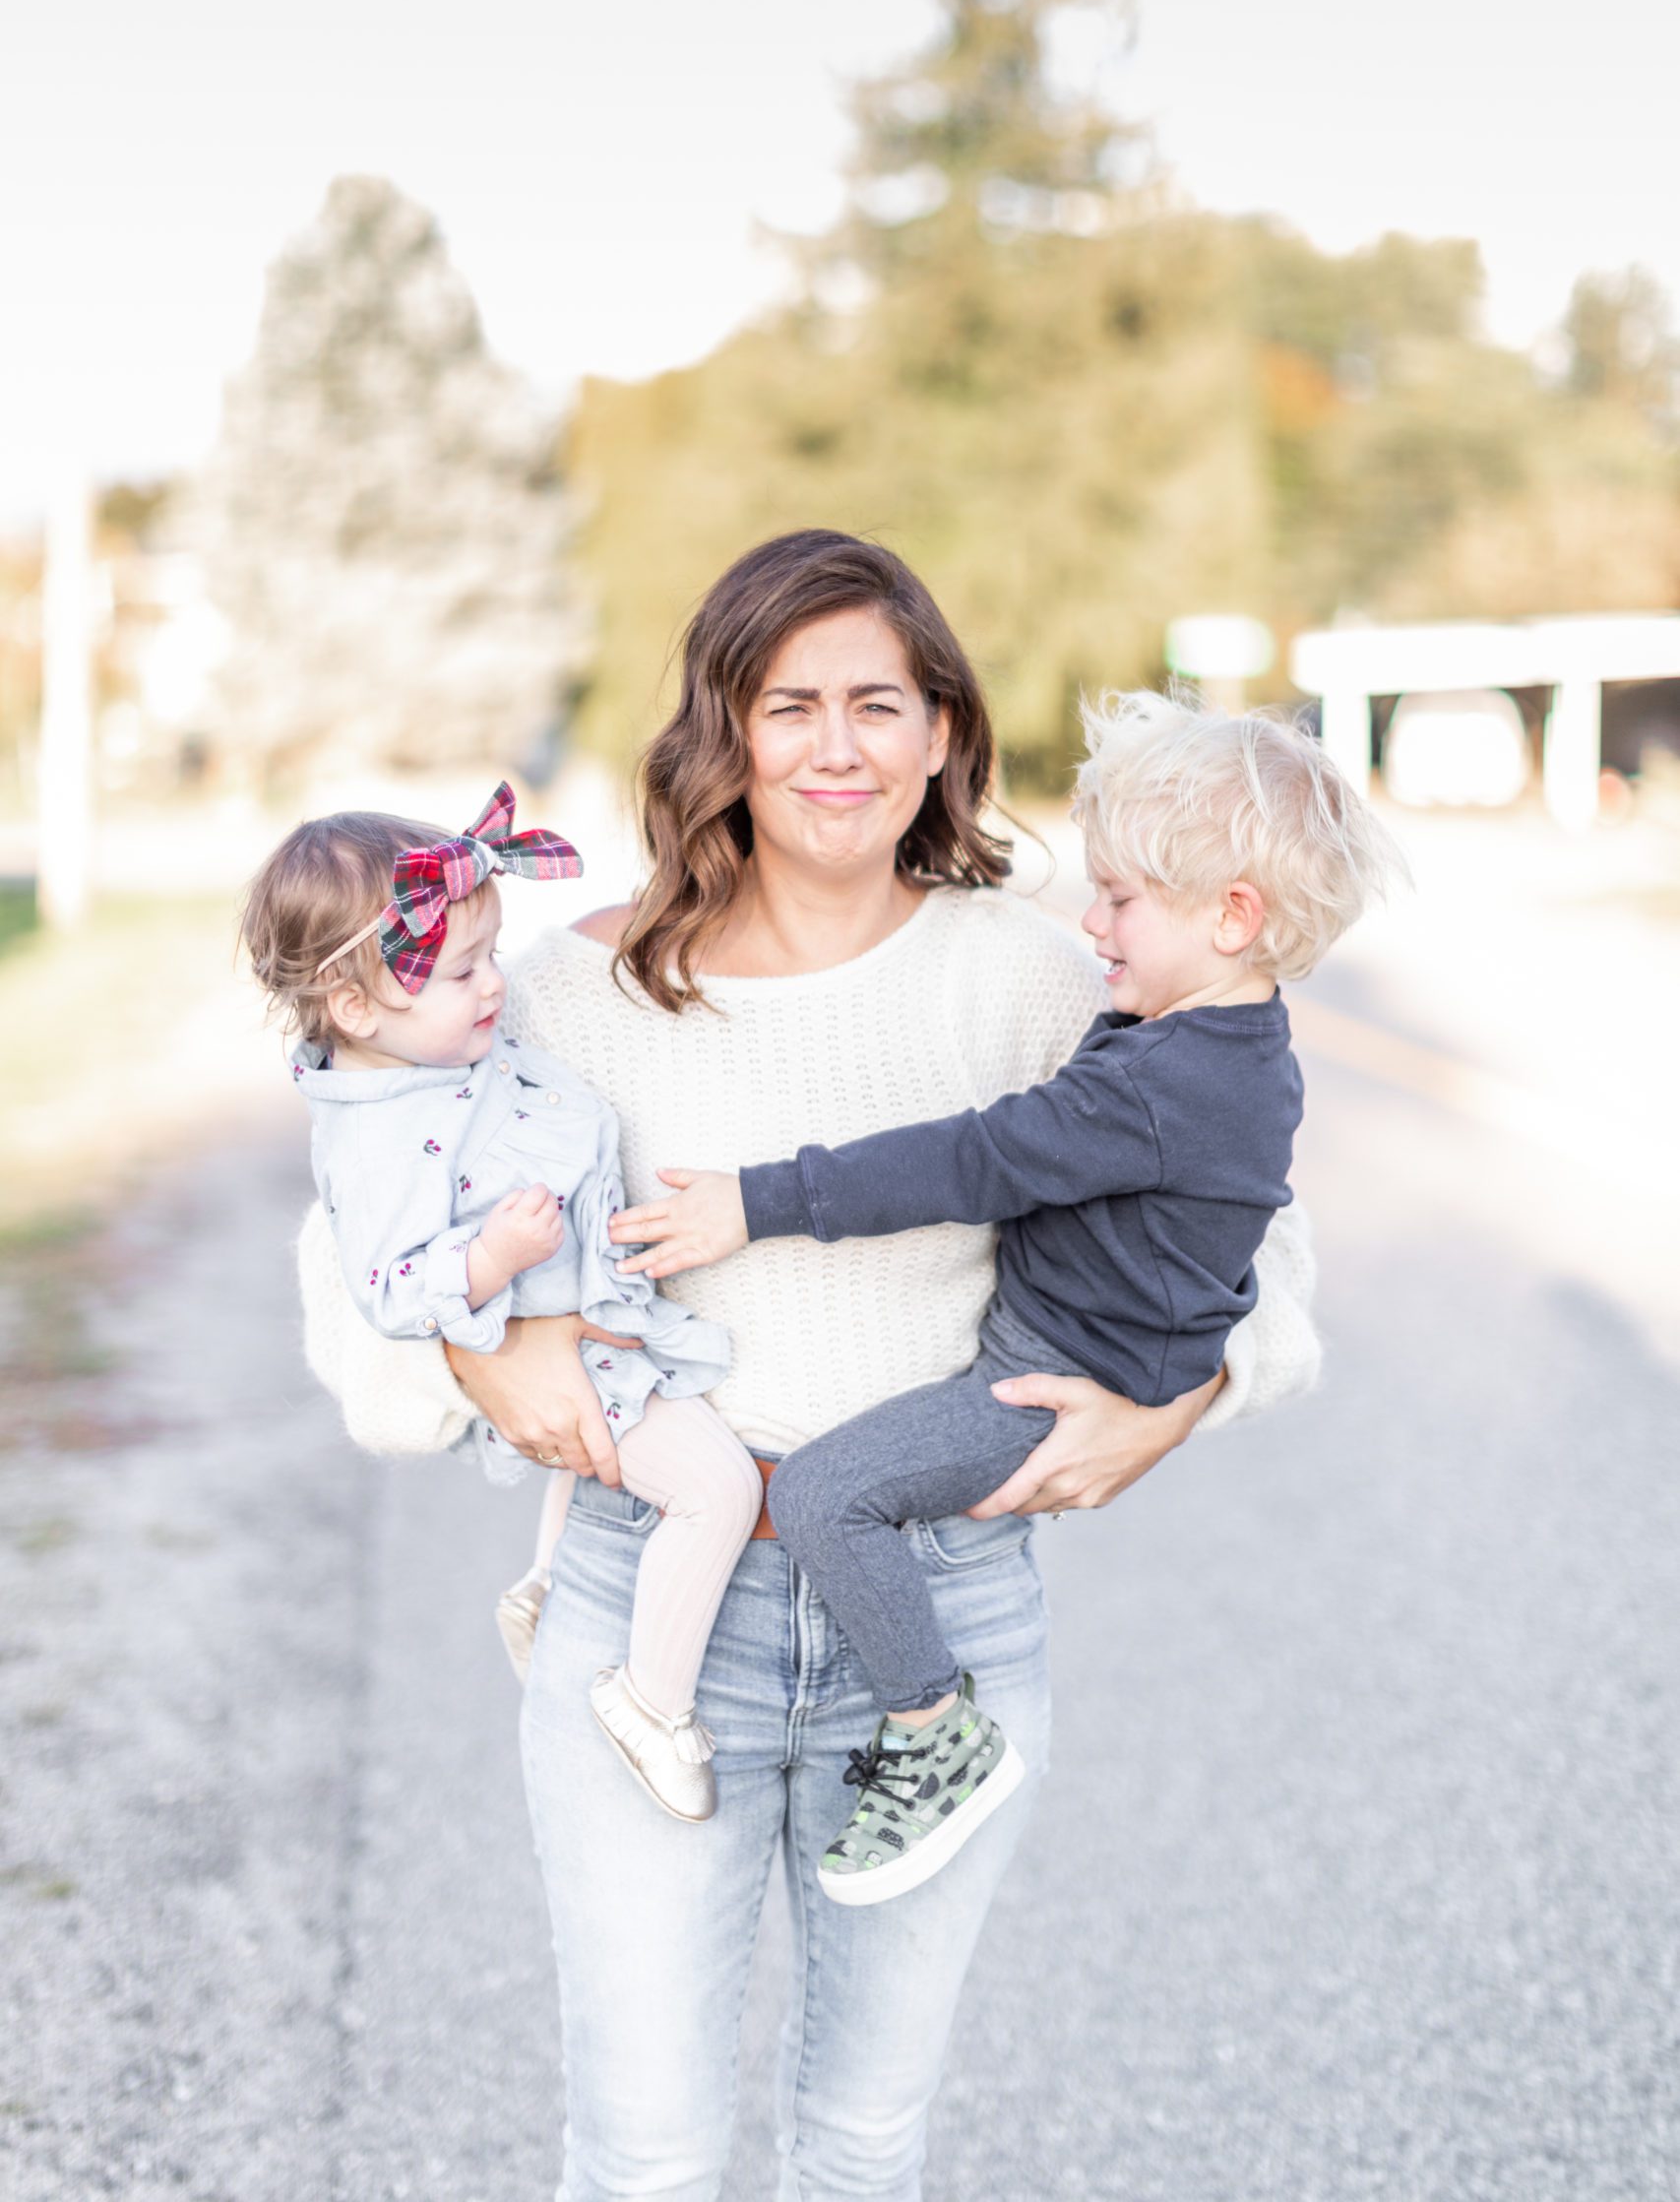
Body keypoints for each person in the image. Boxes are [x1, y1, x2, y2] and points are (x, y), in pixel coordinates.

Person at [294, 531, 1325, 2202]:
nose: (836, 747)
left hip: (942, 1608)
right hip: (650, 1617)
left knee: (859, 2142)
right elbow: (363, 1223)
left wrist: (1169, 1405)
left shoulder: (1041, 980)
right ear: (725, 735)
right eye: (789, 707)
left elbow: (1245, 1223)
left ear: (940, 734)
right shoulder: (570, 994)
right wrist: (508, 1365)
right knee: (644, 2153)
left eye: (877, 703)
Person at [611, 688, 1403, 1902]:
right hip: (1069, 1357)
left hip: (1040, 1384)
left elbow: (966, 1160)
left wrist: (755, 1200)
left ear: (1235, 915)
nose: (1093, 923)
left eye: (1123, 899)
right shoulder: (1227, 1041)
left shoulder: (1155, 1083)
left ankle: (934, 1731)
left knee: (830, 1490)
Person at [242, 785, 763, 1821]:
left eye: (492, 955)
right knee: (717, 1490)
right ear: (352, 1008)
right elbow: (389, 1288)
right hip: (581, 1351)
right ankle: (651, 1702)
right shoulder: (383, 1130)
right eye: (462, 970)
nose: (495, 988)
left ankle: (548, 1588)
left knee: (585, 1467)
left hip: (598, 1330)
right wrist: (494, 1257)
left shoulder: (429, 1055)